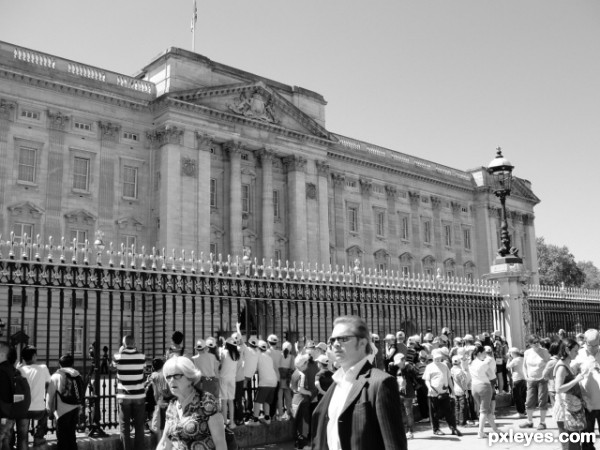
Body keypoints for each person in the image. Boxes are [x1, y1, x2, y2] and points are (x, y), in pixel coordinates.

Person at [311, 315, 407, 450]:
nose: (336, 344)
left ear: (362, 343)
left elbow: (393, 445)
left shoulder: (382, 383)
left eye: (343, 339)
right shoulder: (336, 383)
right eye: (333, 340)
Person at [157, 356, 227, 450]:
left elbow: (220, 443)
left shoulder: (206, 402)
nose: (172, 380)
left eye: (177, 376)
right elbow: (165, 443)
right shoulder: (172, 406)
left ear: (190, 377)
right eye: (168, 377)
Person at [114, 335, 147, 450]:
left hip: (124, 394)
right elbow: (143, 370)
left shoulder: (118, 356)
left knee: (124, 427)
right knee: (139, 426)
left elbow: (112, 368)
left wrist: (121, 351)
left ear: (123, 344)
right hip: (139, 395)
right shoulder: (142, 356)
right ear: (134, 343)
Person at [553, 338, 585, 450]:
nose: (577, 353)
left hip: (571, 409)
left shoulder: (567, 365)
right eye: (575, 351)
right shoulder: (561, 367)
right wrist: (577, 379)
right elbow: (558, 388)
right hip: (565, 411)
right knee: (570, 445)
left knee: (575, 443)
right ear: (567, 350)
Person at [16, 345, 51, 449]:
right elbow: (48, 382)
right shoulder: (43, 368)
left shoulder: (20, 370)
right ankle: (38, 437)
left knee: (22, 436)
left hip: (23, 409)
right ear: (34, 356)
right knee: (45, 413)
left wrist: (18, 368)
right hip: (38, 409)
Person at [572, 328, 600, 450]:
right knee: (587, 438)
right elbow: (570, 373)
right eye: (590, 345)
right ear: (585, 342)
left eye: (596, 345)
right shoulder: (579, 354)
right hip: (587, 402)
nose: (593, 348)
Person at [423, 348, 462, 436]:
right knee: (434, 413)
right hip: (433, 393)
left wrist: (453, 390)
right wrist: (429, 387)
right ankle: (436, 429)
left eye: (439, 358)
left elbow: (449, 379)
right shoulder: (429, 367)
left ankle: (453, 428)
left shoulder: (444, 366)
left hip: (444, 392)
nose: (437, 359)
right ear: (432, 357)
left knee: (449, 411)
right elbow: (427, 380)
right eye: (436, 358)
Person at [46, 354, 81, 450]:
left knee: (62, 439)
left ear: (59, 364)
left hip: (61, 411)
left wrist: (48, 409)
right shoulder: (77, 374)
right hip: (75, 408)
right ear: (72, 363)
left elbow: (50, 394)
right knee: (71, 436)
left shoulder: (56, 376)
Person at [520, 334, 550, 430]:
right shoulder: (527, 352)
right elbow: (524, 366)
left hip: (542, 379)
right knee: (529, 401)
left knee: (542, 401)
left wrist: (546, 376)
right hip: (531, 380)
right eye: (534, 342)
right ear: (530, 344)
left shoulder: (544, 351)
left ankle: (542, 422)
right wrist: (526, 377)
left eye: (538, 342)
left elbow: (549, 364)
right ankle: (529, 421)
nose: (536, 344)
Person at [470, 345, 500, 439]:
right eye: (484, 353)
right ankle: (480, 432)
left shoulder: (471, 363)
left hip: (474, 387)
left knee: (487, 410)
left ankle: (495, 429)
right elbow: (492, 376)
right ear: (479, 353)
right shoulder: (483, 364)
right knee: (484, 411)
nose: (485, 355)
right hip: (484, 386)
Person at [394, 352, 418, 439]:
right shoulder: (398, 369)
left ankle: (410, 431)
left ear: (403, 360)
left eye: (399, 363)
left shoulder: (409, 368)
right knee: (402, 412)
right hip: (400, 393)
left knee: (408, 412)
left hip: (408, 393)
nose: (398, 365)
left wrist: (406, 367)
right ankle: (404, 430)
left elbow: (415, 376)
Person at [148, 358, 172, 441]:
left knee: (161, 426)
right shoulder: (166, 374)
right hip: (170, 401)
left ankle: (161, 444)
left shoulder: (154, 376)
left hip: (161, 401)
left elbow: (155, 393)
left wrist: (157, 402)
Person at [219, 337, 240, 429]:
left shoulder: (224, 353)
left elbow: (220, 362)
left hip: (223, 377)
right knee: (231, 401)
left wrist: (223, 346)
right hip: (232, 378)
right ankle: (232, 422)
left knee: (224, 401)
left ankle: (224, 422)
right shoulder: (236, 354)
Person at [0, 342, 16, 449]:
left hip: (1, 413)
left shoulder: (1, 370)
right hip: (10, 413)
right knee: (6, 439)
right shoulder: (13, 369)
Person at [507, 347, 526, 418]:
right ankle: (524, 410)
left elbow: (508, 367)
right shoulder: (523, 359)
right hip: (524, 379)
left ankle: (520, 412)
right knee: (523, 396)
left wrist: (508, 360)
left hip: (517, 379)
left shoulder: (515, 360)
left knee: (517, 396)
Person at [451, 354, 469, 428]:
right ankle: (462, 423)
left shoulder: (452, 370)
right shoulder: (460, 371)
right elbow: (463, 383)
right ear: (459, 362)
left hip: (455, 390)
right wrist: (466, 391)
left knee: (456, 407)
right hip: (461, 391)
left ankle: (457, 421)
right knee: (462, 407)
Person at [278, 341, 294, 420]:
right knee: (288, 397)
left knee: (279, 397)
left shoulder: (279, 355)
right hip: (287, 378)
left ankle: (280, 414)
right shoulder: (291, 357)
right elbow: (292, 368)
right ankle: (288, 413)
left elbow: (277, 366)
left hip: (280, 377)